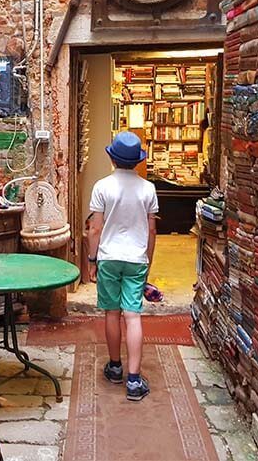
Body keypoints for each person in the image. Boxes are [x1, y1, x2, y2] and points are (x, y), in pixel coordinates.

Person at [86, 131, 158, 401]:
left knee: (112, 313)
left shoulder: (102, 186)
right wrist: (148, 262)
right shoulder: (148, 189)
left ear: (113, 159)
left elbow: (95, 228)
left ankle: (115, 367)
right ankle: (134, 379)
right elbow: (151, 231)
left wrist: (92, 260)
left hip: (109, 256)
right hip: (136, 259)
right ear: (138, 161)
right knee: (133, 315)